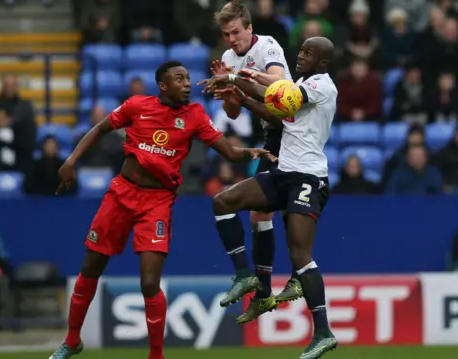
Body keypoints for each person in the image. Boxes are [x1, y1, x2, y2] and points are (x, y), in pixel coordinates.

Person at [49, 60, 275, 359]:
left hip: (157, 202)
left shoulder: (194, 115)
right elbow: (100, 129)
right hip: (121, 194)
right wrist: (70, 162)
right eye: (178, 79)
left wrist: (249, 152)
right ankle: (72, 340)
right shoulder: (136, 106)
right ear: (163, 85)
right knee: (90, 268)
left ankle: (156, 355)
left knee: (149, 282)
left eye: (187, 78)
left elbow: (229, 152)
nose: (186, 84)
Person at [200, 37, 339, 359]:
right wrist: (242, 99)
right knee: (223, 202)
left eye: (308, 53)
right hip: (283, 174)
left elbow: (281, 96)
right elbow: (280, 117)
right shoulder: (302, 83)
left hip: (307, 178)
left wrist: (236, 78)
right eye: (300, 50)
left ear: (322, 62)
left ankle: (323, 332)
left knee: (300, 252)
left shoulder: (322, 85)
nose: (300, 56)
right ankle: (245, 275)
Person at [209, 0, 296, 312]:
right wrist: (230, 95)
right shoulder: (228, 57)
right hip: (272, 133)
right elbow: (232, 113)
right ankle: (263, 292)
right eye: (226, 34)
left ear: (249, 28)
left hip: (291, 130)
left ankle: (288, 279)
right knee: (261, 213)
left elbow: (279, 83)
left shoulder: (267, 47)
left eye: (236, 32)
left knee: (280, 208)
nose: (232, 40)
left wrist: (235, 81)